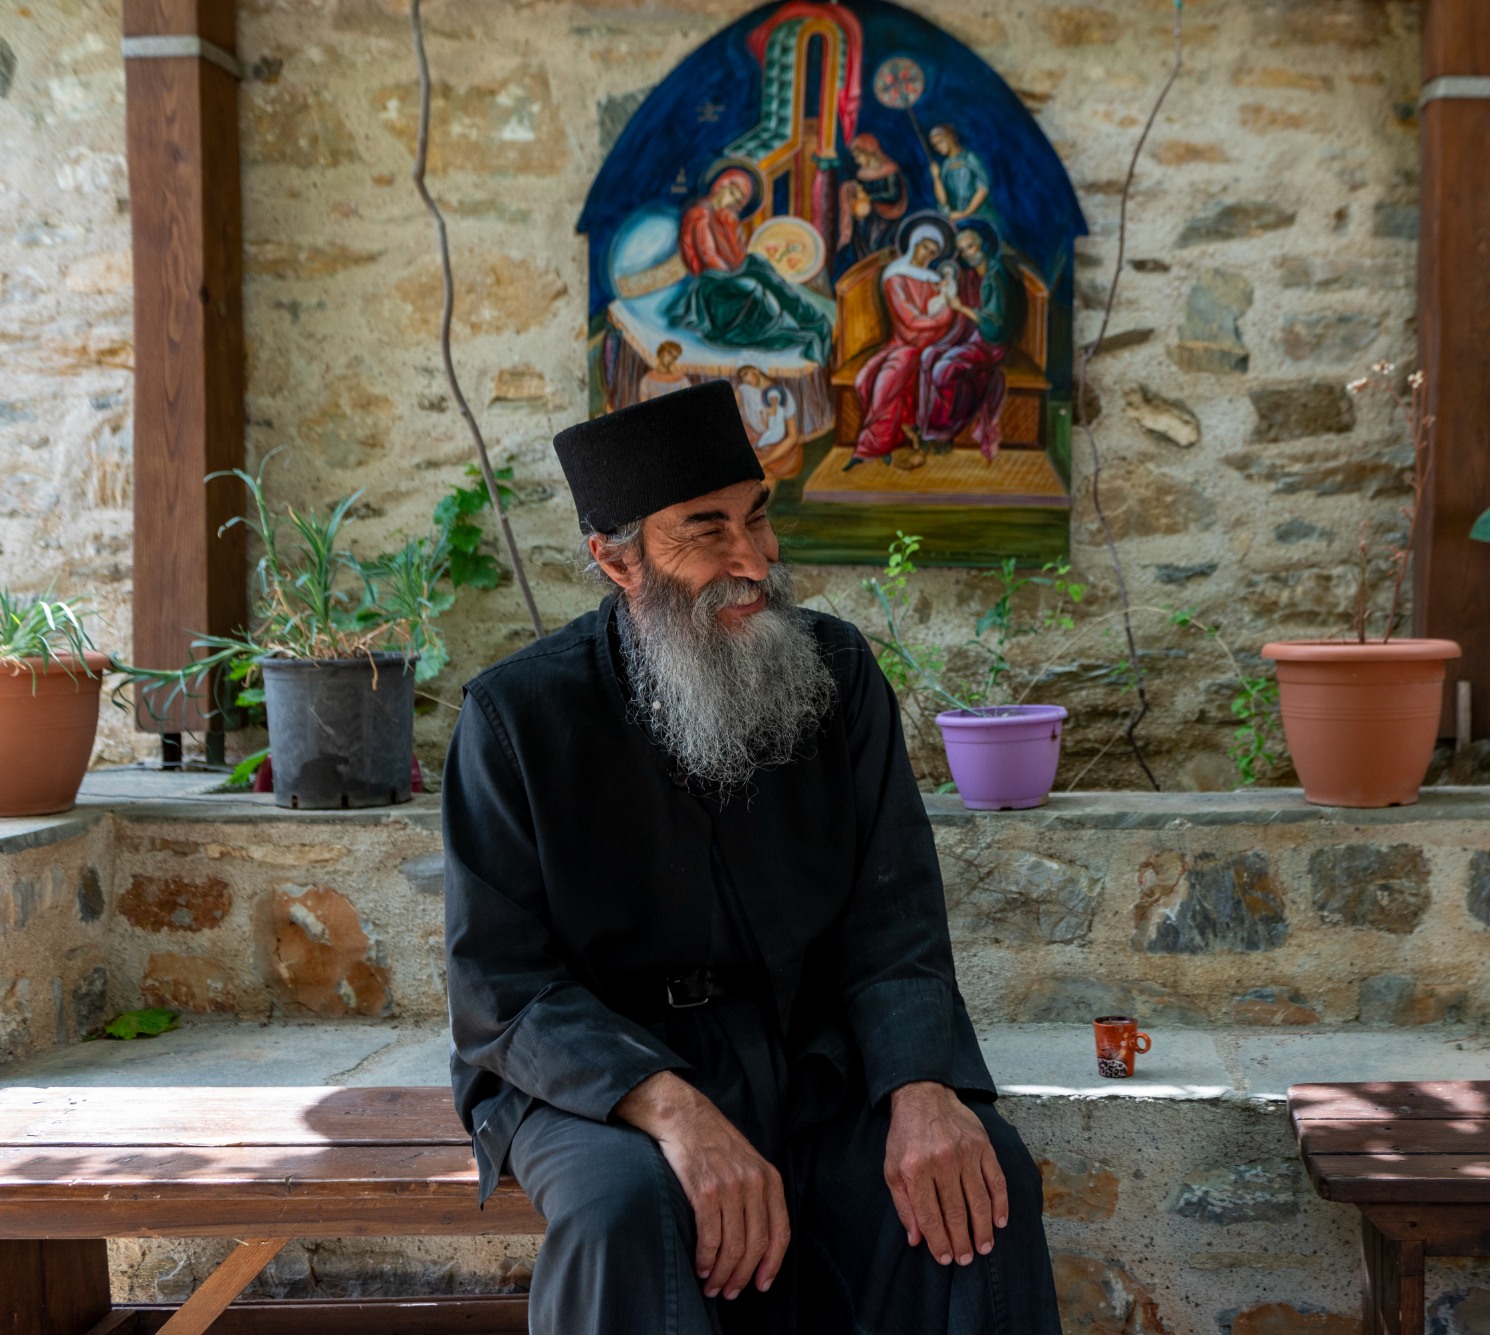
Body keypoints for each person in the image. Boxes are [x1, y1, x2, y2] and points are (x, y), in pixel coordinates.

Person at [443, 380, 1060, 1334]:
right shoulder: (516, 716)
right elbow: (503, 987)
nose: (755, 558)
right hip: (600, 1080)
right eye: (708, 530)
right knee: (623, 1212)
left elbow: (894, 918)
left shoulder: (836, 672)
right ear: (617, 559)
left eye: (758, 516)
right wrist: (673, 1109)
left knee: (974, 1186)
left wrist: (921, 1083)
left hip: (810, 1057)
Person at [667, 169, 831, 364]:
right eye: (732, 193)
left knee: (761, 266)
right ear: (721, 186)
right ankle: (792, 333)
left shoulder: (725, 217)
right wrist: (735, 273)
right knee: (753, 288)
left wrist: (730, 223)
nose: (732, 202)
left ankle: (812, 320)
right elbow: (708, 256)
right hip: (712, 283)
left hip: (730, 274)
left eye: (738, 201)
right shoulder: (699, 214)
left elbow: (739, 257)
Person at [847, 219, 959, 472]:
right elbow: (909, 320)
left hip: (928, 345)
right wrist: (940, 318)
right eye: (925, 247)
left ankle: (869, 447)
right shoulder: (895, 276)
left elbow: (948, 316)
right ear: (914, 243)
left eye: (934, 252)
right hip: (901, 342)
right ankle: (891, 440)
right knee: (864, 380)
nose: (928, 255)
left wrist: (939, 319)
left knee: (888, 380)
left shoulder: (935, 280)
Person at [919, 221, 1011, 462]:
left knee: (943, 368)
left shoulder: (995, 276)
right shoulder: (968, 276)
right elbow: (952, 298)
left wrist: (961, 307)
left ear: (983, 245)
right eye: (962, 250)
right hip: (968, 335)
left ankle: (943, 430)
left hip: (990, 344)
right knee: (928, 355)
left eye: (971, 246)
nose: (967, 254)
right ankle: (926, 426)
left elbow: (995, 325)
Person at [836, 133, 909, 269]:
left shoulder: (890, 169)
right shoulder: (861, 174)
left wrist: (869, 198)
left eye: (858, 156)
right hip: (866, 219)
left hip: (886, 219)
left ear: (869, 152)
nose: (857, 161)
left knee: (879, 246)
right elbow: (859, 194)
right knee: (862, 246)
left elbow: (893, 195)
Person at [927, 124, 1004, 241]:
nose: (937, 147)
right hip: (960, 220)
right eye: (935, 145)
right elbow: (943, 201)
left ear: (951, 137)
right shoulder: (945, 165)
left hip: (980, 216)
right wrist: (936, 178)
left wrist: (966, 213)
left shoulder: (970, 157)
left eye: (940, 142)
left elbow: (983, 187)